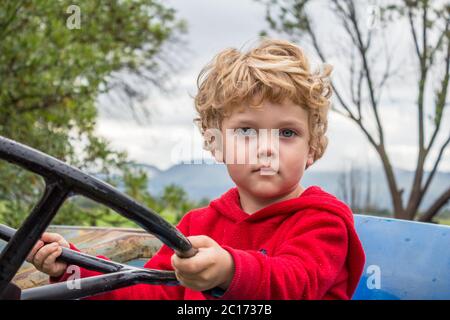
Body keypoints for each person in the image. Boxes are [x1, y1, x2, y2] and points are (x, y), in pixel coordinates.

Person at [26, 38, 366, 300]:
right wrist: (72, 269)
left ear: (312, 149)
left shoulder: (322, 221)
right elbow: (151, 291)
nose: (267, 147)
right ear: (216, 144)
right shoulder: (198, 225)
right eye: (246, 131)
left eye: (287, 133)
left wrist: (230, 271)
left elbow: (296, 284)